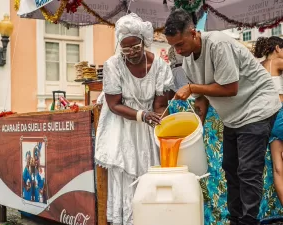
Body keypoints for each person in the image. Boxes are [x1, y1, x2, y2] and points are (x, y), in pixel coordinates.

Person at [164, 8, 281, 225]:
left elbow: (230, 88)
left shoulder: (218, 44)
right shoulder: (189, 61)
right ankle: (236, 219)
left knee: (248, 169)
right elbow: (201, 99)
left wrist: (191, 87)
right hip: (234, 116)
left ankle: (248, 221)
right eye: (173, 46)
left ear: (193, 32)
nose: (178, 51)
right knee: (230, 167)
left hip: (257, 105)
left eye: (180, 44)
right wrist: (195, 126)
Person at [95, 13, 174, 225]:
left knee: (149, 169)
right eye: (126, 49)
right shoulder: (113, 65)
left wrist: (157, 116)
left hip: (147, 126)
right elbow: (113, 105)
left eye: (135, 48)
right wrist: (142, 115)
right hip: (122, 124)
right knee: (127, 173)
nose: (131, 54)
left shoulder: (160, 66)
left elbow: (159, 104)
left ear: (143, 42)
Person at [252, 36, 283, 205]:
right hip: (281, 115)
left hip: (266, 120)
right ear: (277, 48)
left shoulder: (257, 67)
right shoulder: (277, 62)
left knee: (278, 169)